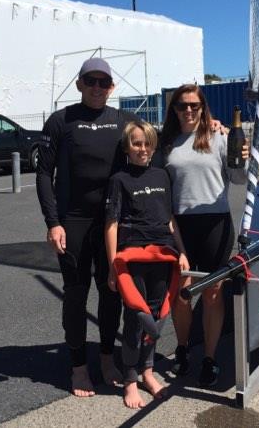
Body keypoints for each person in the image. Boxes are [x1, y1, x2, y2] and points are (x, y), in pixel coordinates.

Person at [36, 57, 139, 397]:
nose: (97, 87)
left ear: (112, 87)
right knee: (76, 294)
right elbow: (43, 175)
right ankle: (79, 365)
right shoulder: (60, 121)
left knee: (111, 293)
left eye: (103, 82)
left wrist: (212, 128)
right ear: (79, 84)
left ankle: (107, 358)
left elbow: (156, 144)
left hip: (111, 224)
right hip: (73, 222)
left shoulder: (123, 121)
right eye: (90, 81)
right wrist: (54, 223)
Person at [159, 84, 248, 387]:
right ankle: (183, 348)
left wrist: (243, 157)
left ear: (203, 108)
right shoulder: (166, 143)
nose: (188, 111)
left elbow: (237, 178)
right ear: (174, 109)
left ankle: (209, 358)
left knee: (212, 294)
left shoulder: (220, 137)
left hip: (216, 225)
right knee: (181, 294)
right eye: (182, 105)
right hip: (180, 227)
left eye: (194, 106)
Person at [104, 121, 189, 409]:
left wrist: (182, 251)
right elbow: (111, 224)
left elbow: (169, 220)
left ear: (154, 146)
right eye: (137, 143)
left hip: (162, 255)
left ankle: (148, 372)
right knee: (137, 318)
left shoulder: (162, 175)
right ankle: (130, 380)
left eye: (147, 143)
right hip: (132, 257)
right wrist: (112, 265)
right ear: (127, 147)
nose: (143, 149)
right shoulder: (119, 179)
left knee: (159, 313)